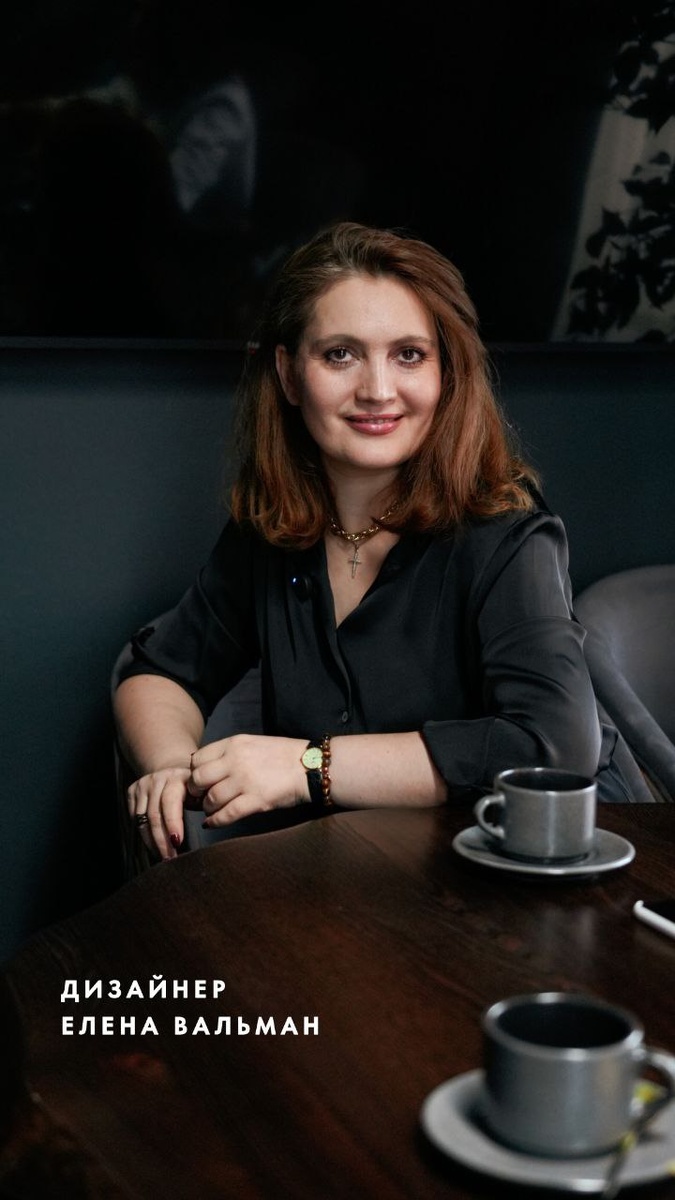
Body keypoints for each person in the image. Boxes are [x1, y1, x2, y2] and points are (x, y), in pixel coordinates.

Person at [113, 220, 632, 862]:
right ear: (289, 375)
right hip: (362, 875)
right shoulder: (272, 529)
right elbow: (159, 671)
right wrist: (170, 767)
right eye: (340, 355)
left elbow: (553, 747)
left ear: (446, 374)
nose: (378, 391)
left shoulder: (506, 532)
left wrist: (309, 766)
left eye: (409, 355)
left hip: (543, 867)